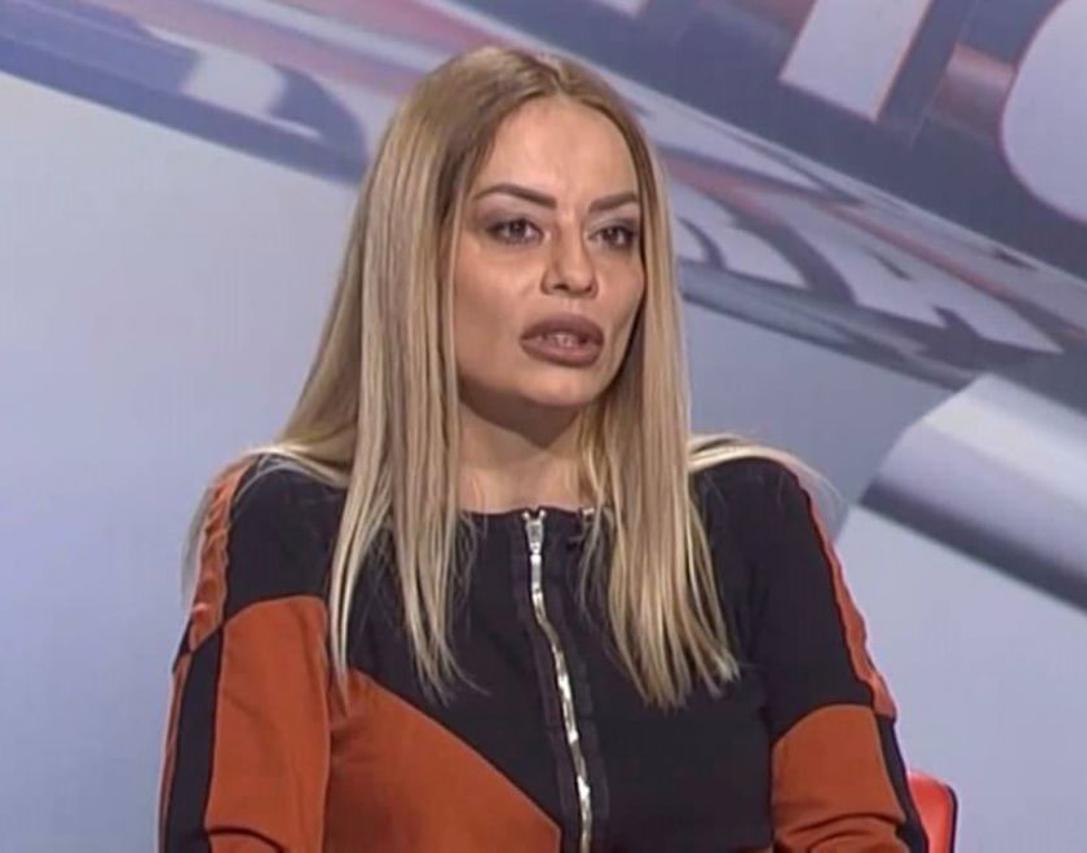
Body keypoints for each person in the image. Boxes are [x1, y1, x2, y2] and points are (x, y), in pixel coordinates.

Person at [158, 44, 926, 852]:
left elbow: (857, 831)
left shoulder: (751, 517)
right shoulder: (297, 526)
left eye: (614, 234)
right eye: (516, 228)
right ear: (416, 254)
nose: (576, 273)